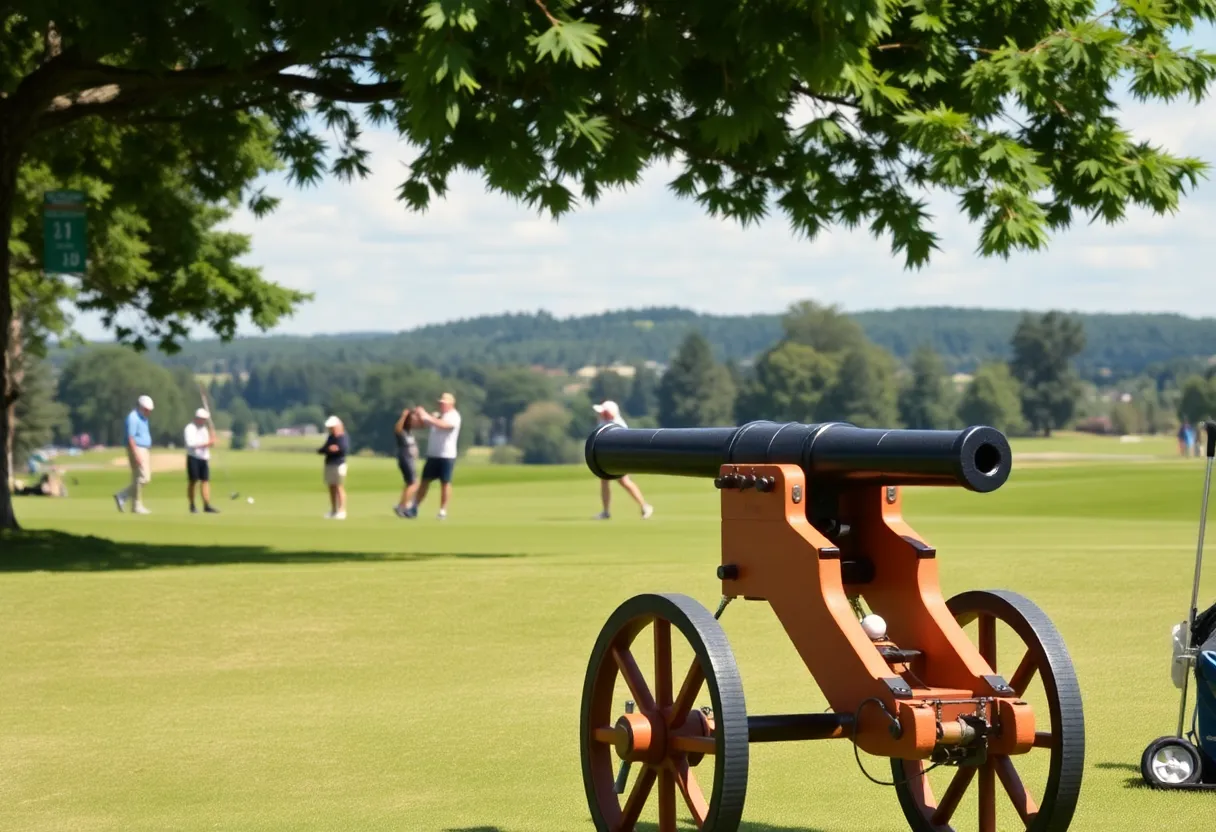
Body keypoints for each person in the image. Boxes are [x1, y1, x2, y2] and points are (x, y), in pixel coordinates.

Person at [592, 400, 654, 520]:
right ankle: (606, 511)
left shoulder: (618, 425)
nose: (600, 414)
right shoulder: (603, 422)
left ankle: (644, 506)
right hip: (607, 457)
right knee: (605, 481)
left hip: (617, 458)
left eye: (603, 412)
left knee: (624, 482)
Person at [407, 392, 462, 520]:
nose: (441, 405)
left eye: (443, 403)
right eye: (440, 403)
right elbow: (422, 424)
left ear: (451, 404)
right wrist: (418, 415)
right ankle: (414, 507)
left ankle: (442, 510)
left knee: (445, 483)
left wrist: (426, 415)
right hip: (433, 454)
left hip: (446, 455)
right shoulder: (437, 415)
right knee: (424, 482)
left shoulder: (454, 416)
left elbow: (443, 425)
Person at [114, 395, 155, 514]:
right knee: (144, 478)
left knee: (137, 479)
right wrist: (136, 454)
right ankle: (122, 496)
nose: (149, 412)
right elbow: (130, 438)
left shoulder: (143, 418)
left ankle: (136, 506)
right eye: (147, 410)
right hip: (137, 449)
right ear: (141, 407)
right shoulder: (133, 417)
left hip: (143, 449)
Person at [184, 408, 219, 514]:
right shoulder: (189, 428)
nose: (204, 421)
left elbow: (208, 442)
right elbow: (191, 444)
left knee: (205, 481)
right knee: (193, 481)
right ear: (197, 418)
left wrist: (212, 439)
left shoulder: (204, 429)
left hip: (204, 458)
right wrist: (208, 443)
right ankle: (192, 505)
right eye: (203, 419)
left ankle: (206, 505)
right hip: (193, 457)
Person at [318, 415, 349, 519]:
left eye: (332, 427)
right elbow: (323, 449)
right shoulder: (331, 437)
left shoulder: (342, 437)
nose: (331, 429)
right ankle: (333, 510)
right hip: (329, 464)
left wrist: (335, 449)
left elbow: (343, 449)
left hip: (339, 464)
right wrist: (329, 449)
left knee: (339, 487)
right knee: (331, 487)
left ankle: (342, 510)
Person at [393, 406, 421, 517]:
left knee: (411, 483)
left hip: (410, 459)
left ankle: (403, 503)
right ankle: (402, 506)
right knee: (413, 483)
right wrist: (404, 416)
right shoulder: (402, 432)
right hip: (405, 458)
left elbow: (420, 424)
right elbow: (397, 429)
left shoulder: (409, 432)